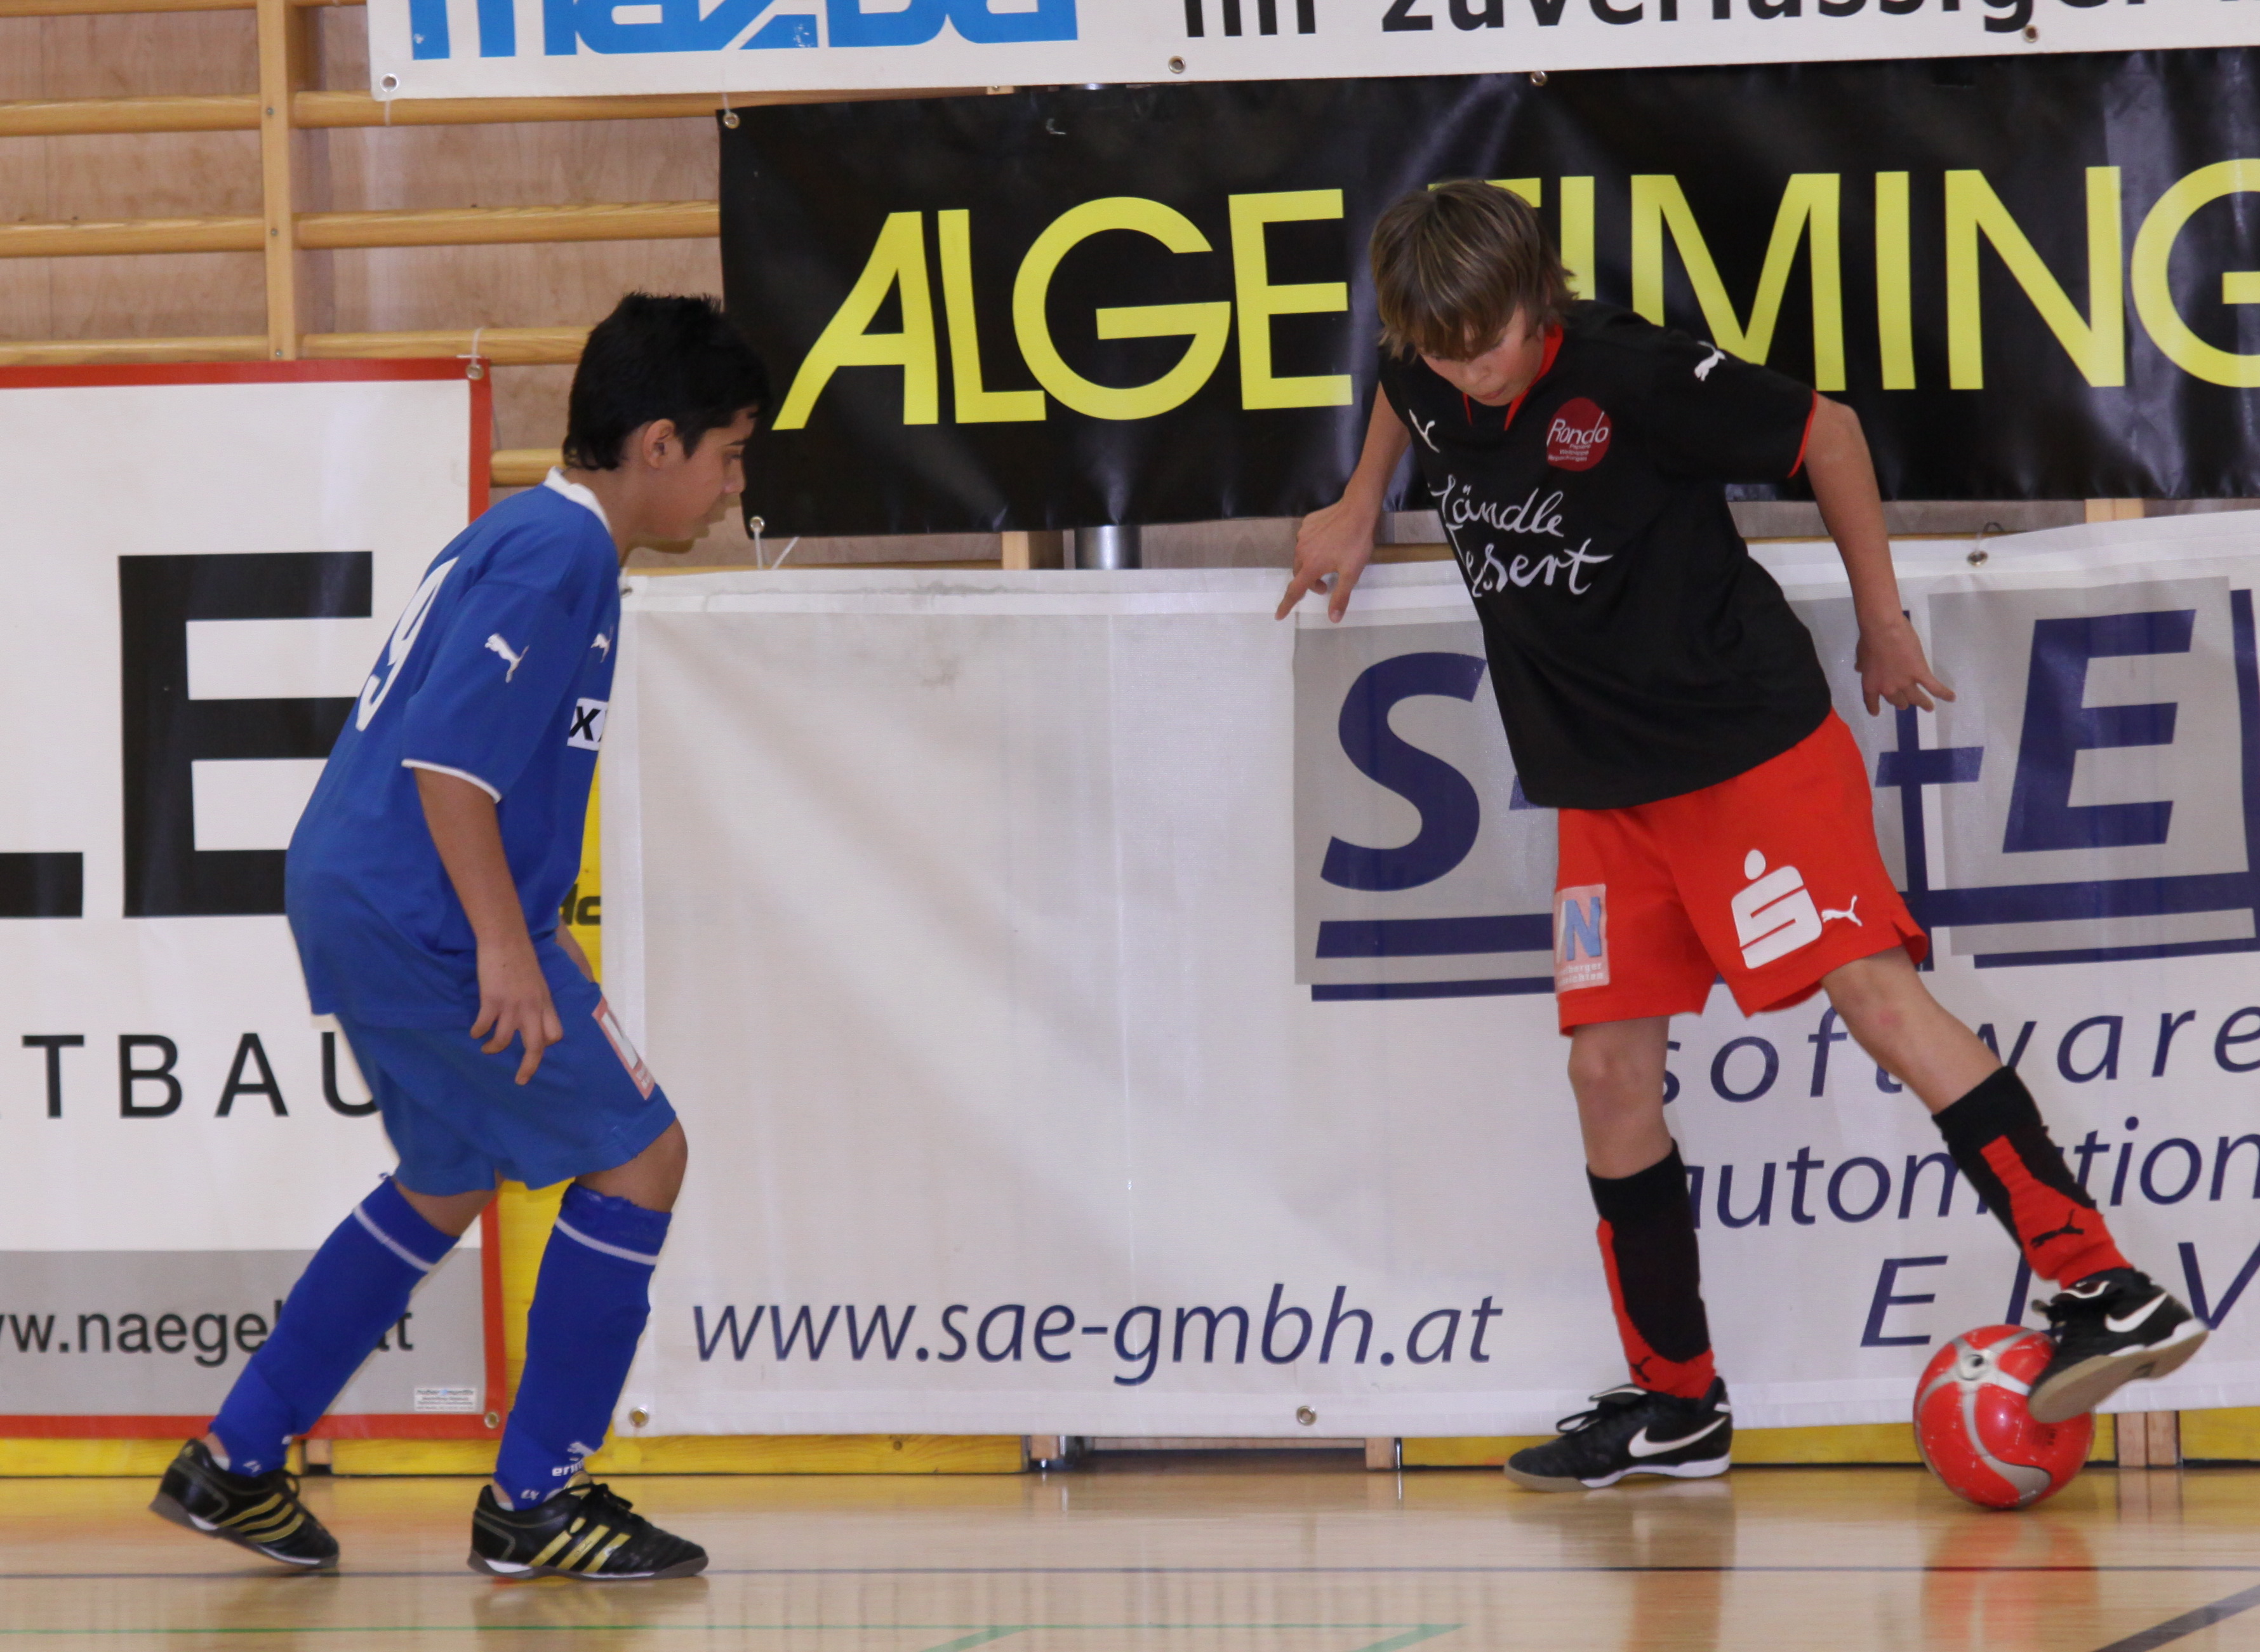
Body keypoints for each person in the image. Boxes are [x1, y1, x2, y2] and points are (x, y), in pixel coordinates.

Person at [1279, 181, 2205, 1493]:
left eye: (1489, 344)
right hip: (1602, 790)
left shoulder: (1629, 373)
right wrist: (1359, 499)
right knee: (1607, 1074)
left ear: (1537, 298)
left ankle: (2105, 1286)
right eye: (1443, 351)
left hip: (1745, 751)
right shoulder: (1425, 364)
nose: (1470, 373)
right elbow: (1400, 394)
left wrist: (1882, 621)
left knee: (1875, 997)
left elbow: (1829, 432)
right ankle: (1678, 1403)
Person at [149, 292, 768, 1573]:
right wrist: (501, 943)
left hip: (366, 890)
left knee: (445, 1177)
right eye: (729, 453)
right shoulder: (561, 554)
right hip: (422, 906)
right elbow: (449, 766)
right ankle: (536, 1500)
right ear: (659, 442)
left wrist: (520, 926)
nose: (732, 485)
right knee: (642, 1158)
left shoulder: (528, 535)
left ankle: (238, 1456)